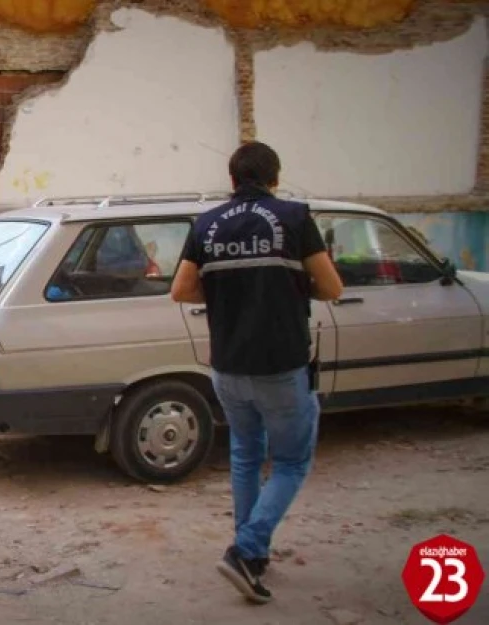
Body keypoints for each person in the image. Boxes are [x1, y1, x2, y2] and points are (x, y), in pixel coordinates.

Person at [170, 141, 344, 604]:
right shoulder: (293, 217)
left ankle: (253, 554)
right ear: (274, 179)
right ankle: (246, 551)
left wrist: (234, 291)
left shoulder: (206, 224)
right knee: (290, 461)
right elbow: (331, 286)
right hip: (281, 366)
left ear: (232, 180)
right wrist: (279, 288)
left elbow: (182, 291)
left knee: (246, 456)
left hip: (227, 367)